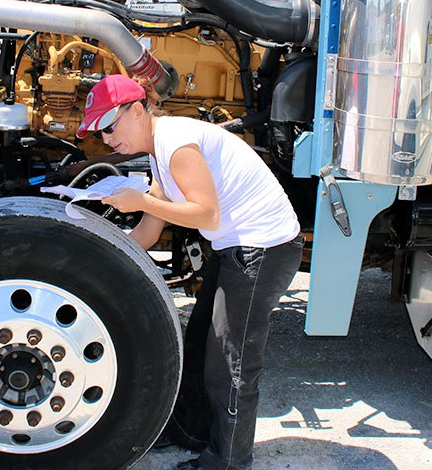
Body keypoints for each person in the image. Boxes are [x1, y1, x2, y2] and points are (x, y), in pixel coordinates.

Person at [77, 74, 303, 470]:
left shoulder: (176, 143)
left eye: (110, 126)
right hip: (234, 245)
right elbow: (148, 230)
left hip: (264, 248)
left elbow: (205, 212)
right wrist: (97, 244)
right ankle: (192, 431)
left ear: (137, 109)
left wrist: (140, 200)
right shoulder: (158, 153)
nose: (107, 138)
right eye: (99, 130)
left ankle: (229, 461)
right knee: (198, 343)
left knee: (231, 362)